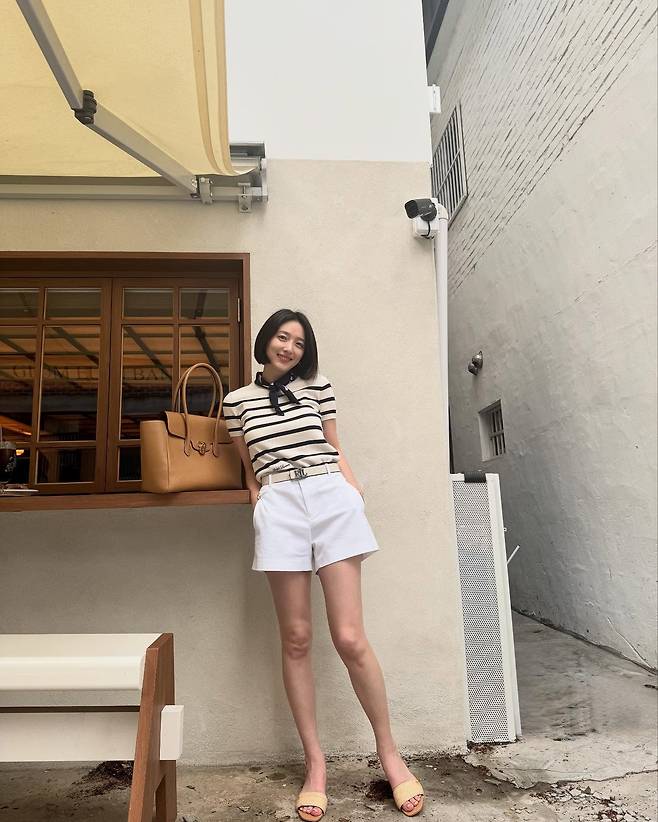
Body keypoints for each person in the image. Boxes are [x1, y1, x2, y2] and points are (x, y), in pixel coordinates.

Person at [222, 308, 425, 819]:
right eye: (281, 337)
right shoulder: (236, 401)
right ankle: (315, 765)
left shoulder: (319, 386)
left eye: (298, 342)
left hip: (330, 496)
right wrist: (259, 501)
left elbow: (335, 446)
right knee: (296, 638)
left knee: (350, 637)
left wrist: (352, 490)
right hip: (280, 504)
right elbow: (248, 467)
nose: (289, 348)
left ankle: (390, 756)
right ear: (265, 340)